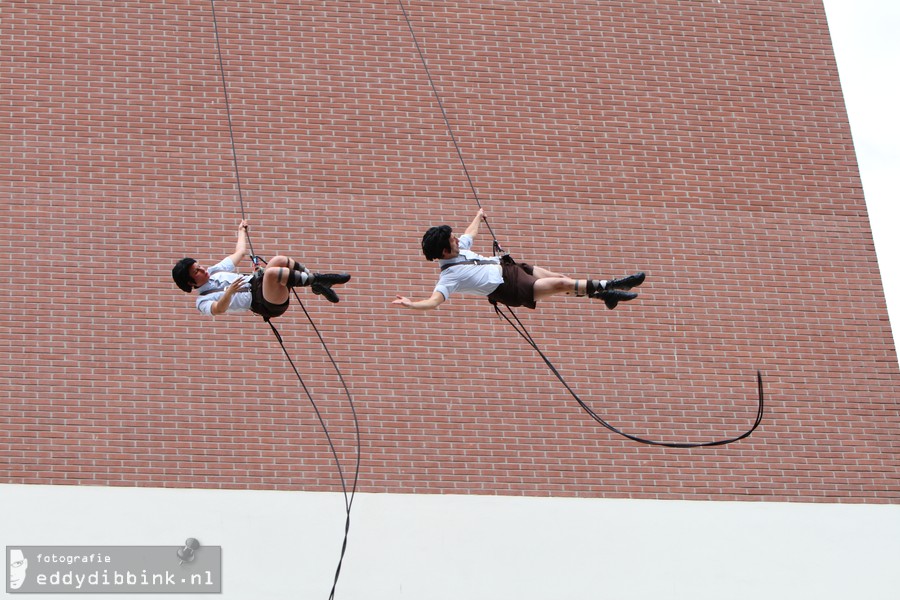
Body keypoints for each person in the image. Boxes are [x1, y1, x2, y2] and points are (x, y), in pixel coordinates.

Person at [392, 209, 644, 311]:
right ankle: (613, 285)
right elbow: (434, 301)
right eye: (451, 240)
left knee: (563, 279)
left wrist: (479, 217)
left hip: (511, 268)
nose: (457, 239)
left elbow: (470, 233)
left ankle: (606, 296)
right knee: (561, 286)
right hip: (509, 288)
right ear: (444, 252)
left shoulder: (461, 250)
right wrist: (411, 304)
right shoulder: (449, 277)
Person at [172, 220, 350, 319]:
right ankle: (320, 279)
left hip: (258, 283)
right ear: (190, 283)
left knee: (279, 260)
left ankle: (318, 285)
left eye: (199, 266)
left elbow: (240, 253)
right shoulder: (202, 301)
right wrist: (229, 293)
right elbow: (218, 309)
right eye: (197, 272)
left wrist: (241, 231)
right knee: (272, 273)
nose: (203, 270)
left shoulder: (215, 270)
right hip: (263, 302)